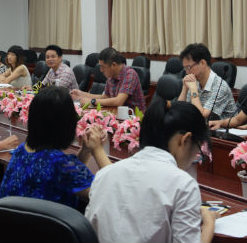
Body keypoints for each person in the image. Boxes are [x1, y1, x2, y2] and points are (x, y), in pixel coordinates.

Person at [85, 97, 218, 243]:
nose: (194, 157)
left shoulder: (104, 174)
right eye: (198, 149)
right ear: (185, 140)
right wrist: (209, 225)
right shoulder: (183, 185)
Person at [0, 86, 110, 208]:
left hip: (10, 219)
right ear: (68, 124)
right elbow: (111, 193)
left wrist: (86, 150)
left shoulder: (20, 151)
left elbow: (71, 173)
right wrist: (98, 149)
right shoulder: (61, 164)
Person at [70, 47, 146, 111]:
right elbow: (106, 97)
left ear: (113, 65)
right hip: (116, 114)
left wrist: (92, 101)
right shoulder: (111, 77)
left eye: (102, 66)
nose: (101, 70)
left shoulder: (130, 74)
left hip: (134, 118)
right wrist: (83, 94)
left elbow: (119, 101)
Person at [177, 43, 237, 120]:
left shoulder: (220, 86)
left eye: (189, 67)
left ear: (202, 63)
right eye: (185, 69)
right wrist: (184, 88)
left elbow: (202, 116)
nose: (187, 72)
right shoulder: (195, 81)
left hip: (221, 126)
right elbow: (179, 110)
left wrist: (193, 90)